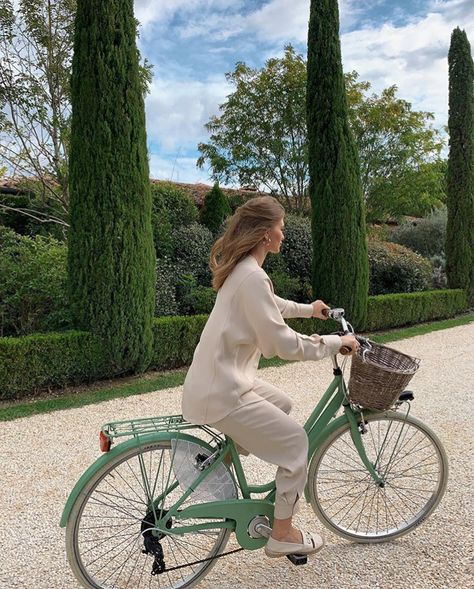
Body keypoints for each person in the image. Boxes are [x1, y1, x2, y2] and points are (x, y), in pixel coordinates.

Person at [181, 196, 359, 558]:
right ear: (265, 233)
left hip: (220, 381)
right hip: (224, 391)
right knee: (295, 445)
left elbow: (272, 306)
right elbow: (279, 343)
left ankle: (219, 465)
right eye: (280, 227)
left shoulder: (246, 271)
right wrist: (333, 342)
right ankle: (282, 533)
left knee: (282, 402)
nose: (283, 233)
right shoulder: (251, 276)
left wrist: (310, 310)